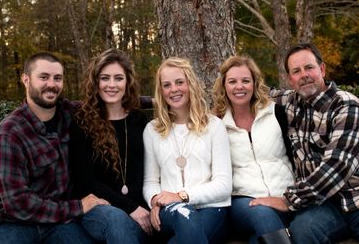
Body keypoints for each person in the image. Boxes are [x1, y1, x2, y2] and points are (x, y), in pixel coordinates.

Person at [0, 52, 109, 244]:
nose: (52, 84)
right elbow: (17, 204)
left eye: (57, 78)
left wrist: (162, 101)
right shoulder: (9, 134)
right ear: (26, 80)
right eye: (43, 77)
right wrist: (78, 207)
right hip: (9, 222)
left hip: (57, 221)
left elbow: (111, 103)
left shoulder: (69, 113)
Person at [250, 43, 359, 243]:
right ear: (291, 79)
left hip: (354, 198)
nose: (304, 75)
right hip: (321, 204)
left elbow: (338, 166)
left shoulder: (346, 105)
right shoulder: (290, 102)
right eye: (296, 71)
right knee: (302, 231)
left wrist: (289, 200)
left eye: (309, 67)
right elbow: (253, 91)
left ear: (322, 69)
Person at [143, 57, 232, 244]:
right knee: (183, 214)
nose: (174, 89)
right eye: (166, 85)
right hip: (170, 212)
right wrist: (155, 201)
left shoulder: (214, 126)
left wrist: (182, 196)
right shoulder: (152, 129)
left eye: (179, 82)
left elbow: (224, 185)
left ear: (190, 84)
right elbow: (150, 181)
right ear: (161, 91)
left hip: (212, 209)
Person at [69, 48, 152, 244]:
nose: (111, 85)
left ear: (127, 82)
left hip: (141, 209)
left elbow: (147, 171)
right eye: (105, 78)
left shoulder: (139, 120)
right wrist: (131, 208)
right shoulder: (82, 122)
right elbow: (86, 180)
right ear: (96, 82)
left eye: (118, 78)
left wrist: (144, 207)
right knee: (117, 221)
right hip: (99, 209)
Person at [212, 55, 295, 244]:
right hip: (243, 202)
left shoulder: (276, 113)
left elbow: (294, 155)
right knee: (262, 214)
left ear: (255, 83)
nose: (239, 86)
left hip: (284, 197)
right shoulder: (216, 125)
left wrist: (289, 198)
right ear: (224, 85)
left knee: (257, 239)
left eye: (245, 81)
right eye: (232, 81)